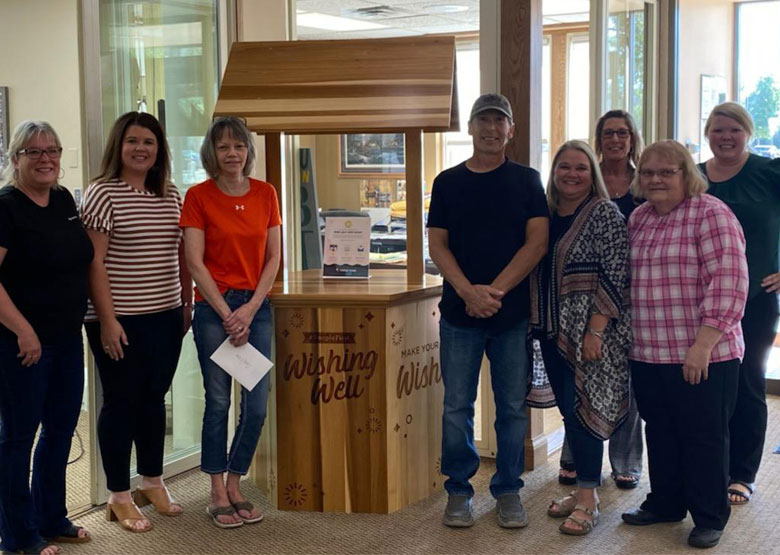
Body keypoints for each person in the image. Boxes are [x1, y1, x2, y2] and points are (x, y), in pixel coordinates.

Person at [427, 93, 549, 529]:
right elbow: (437, 245)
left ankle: (509, 488)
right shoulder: (447, 182)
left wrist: (492, 292)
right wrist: (467, 292)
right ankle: (458, 491)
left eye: (500, 122)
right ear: (471, 129)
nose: (491, 129)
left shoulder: (527, 181)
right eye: (483, 121)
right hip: (459, 317)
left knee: (513, 408)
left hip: (511, 316)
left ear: (510, 131)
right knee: (457, 406)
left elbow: (536, 244)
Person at [623, 140, 748, 549]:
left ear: (686, 174)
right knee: (660, 432)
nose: (656, 180)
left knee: (703, 436)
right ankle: (667, 503)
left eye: (666, 172)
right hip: (649, 350)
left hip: (703, 352)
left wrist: (703, 345)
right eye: (648, 173)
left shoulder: (711, 214)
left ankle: (709, 515)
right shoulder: (639, 218)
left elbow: (729, 282)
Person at [82, 112, 191, 533]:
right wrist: (107, 320)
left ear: (159, 148)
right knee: (120, 402)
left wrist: (186, 303)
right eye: (132, 141)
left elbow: (180, 252)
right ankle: (118, 496)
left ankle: (151, 481)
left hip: (165, 315)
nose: (141, 148)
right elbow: (94, 262)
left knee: (153, 399)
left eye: (149, 141)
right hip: (118, 318)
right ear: (119, 146)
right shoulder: (102, 193)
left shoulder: (170, 193)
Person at [180, 117, 281, 529]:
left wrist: (251, 309)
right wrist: (227, 313)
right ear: (212, 153)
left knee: (256, 404)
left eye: (238, 146)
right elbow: (194, 261)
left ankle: (237, 482)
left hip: (255, 309)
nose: (232, 154)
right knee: (219, 401)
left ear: (247, 152)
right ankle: (217, 490)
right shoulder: (198, 196)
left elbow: (274, 257)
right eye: (223, 147)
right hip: (213, 309)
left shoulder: (266, 193)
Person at [0, 121, 93, 555]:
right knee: (19, 437)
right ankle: (17, 535)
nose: (45, 158)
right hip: (22, 344)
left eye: (51, 150)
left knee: (59, 431)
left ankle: (51, 517)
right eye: (33, 152)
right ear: (15, 158)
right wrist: (23, 331)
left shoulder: (63, 200)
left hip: (67, 338)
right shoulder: (6, 207)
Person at [529, 140, 631, 536]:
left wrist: (595, 330)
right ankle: (586, 488)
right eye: (564, 167)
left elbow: (617, 271)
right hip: (552, 332)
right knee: (572, 415)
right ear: (553, 173)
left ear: (594, 174)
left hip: (592, 333)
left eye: (581, 168)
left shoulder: (604, 213)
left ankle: (587, 498)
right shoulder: (547, 215)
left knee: (586, 414)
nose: (571, 174)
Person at [557, 110, 645, 489]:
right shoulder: (573, 191)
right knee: (576, 383)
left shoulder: (644, 181)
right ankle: (574, 456)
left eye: (623, 132)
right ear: (599, 138)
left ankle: (625, 460)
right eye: (608, 132)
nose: (615, 139)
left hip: (630, 296)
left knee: (623, 383)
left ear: (632, 138)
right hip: (575, 307)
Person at [698, 102, 780, 506]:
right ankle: (710, 465)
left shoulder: (769, 173)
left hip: (755, 300)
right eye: (717, 130)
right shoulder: (693, 176)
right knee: (707, 387)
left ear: (747, 132)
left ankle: (742, 474)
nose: (725, 137)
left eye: (733, 129)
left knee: (747, 384)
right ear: (707, 133)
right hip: (698, 303)